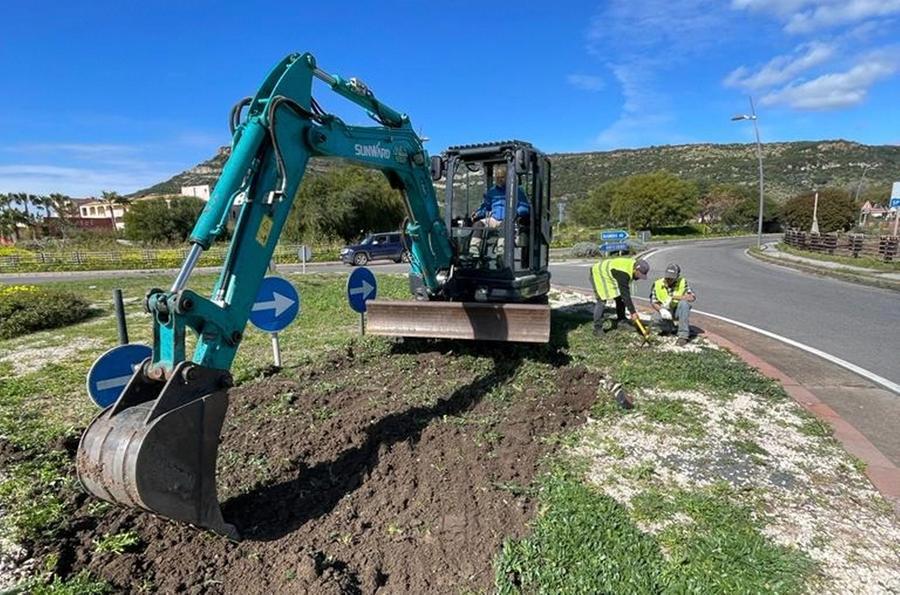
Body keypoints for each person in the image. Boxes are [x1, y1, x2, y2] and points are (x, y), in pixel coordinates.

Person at [470, 165, 530, 255]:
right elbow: (486, 207)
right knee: (478, 224)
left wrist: (516, 213)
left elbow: (525, 207)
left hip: (510, 219)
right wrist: (478, 214)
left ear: (508, 177)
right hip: (494, 218)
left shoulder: (517, 190)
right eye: (497, 177)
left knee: (505, 224)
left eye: (502, 177)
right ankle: (474, 248)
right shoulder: (492, 192)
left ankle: (501, 249)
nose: (499, 179)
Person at [589, 256, 650, 335]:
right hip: (598, 273)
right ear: (636, 269)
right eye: (639, 275)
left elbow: (623, 295)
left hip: (610, 275)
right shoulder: (623, 274)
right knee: (602, 300)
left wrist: (632, 311)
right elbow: (625, 295)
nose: (639, 278)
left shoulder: (631, 267)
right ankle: (597, 328)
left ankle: (621, 321)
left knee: (619, 298)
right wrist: (633, 312)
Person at [650, 263, 696, 346]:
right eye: (667, 277)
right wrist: (661, 310)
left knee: (684, 304)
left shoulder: (682, 282)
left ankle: (683, 336)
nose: (669, 280)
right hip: (665, 310)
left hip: (678, 311)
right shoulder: (657, 284)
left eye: (671, 278)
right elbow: (654, 302)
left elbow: (691, 297)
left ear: (677, 277)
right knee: (654, 319)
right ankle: (669, 328)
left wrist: (673, 297)